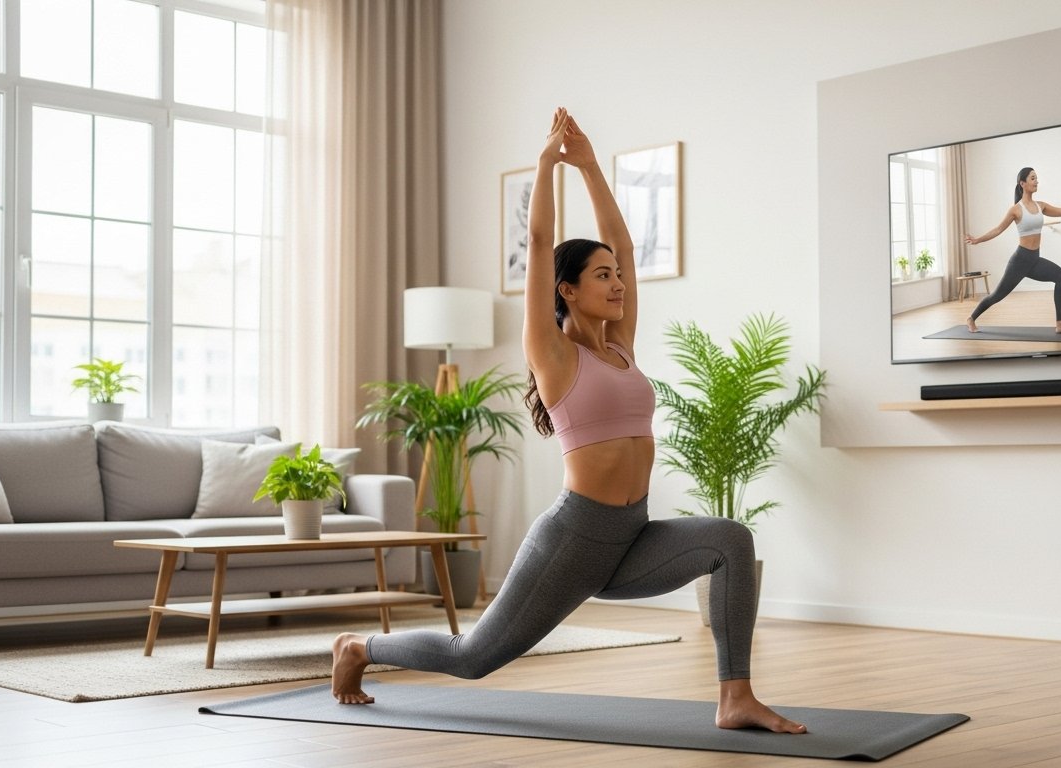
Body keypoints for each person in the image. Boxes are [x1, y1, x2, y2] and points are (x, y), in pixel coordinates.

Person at [331, 108, 806, 734]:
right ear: (568, 291)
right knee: (473, 657)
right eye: (601, 276)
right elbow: (536, 241)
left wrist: (589, 164)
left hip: (631, 534)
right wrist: (548, 163)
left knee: (730, 540)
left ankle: (734, 696)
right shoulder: (554, 355)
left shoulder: (621, 346)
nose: (617, 284)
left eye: (617, 276)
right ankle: (359, 648)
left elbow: (628, 246)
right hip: (574, 539)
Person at [963, 167, 1061, 334]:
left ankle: (1060, 324)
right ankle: (971, 318)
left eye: (1037, 178)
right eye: (1033, 178)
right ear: (1023, 183)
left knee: (1060, 276)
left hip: (1034, 259)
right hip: (1020, 261)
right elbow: (998, 229)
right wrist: (977, 240)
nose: (1036, 181)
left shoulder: (1040, 206)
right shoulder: (1016, 209)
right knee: (997, 296)